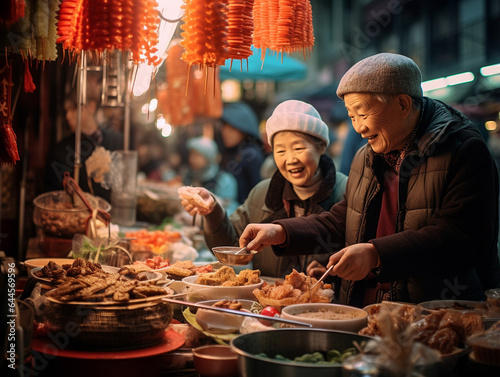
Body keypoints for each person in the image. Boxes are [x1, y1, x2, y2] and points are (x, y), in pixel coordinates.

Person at [238, 53, 500, 307]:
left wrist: (376, 254)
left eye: (362, 114)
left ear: (403, 104)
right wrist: (282, 232)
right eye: (352, 117)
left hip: (435, 313)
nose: (358, 128)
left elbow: (461, 237)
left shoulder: (462, 149)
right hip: (365, 309)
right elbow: (342, 220)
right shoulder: (367, 156)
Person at [179, 100, 348, 278]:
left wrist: (334, 273)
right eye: (281, 151)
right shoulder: (262, 193)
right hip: (266, 302)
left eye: (298, 148)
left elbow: (361, 255)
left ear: (321, 146)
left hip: (327, 303)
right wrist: (212, 211)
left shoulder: (345, 192)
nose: (290, 159)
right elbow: (233, 247)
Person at [45, 81, 124, 202]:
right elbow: (52, 195)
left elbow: (124, 184)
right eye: (66, 111)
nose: (67, 116)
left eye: (73, 109)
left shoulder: (117, 142)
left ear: (91, 107)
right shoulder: (60, 151)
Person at [217, 102, 265, 204]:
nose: (225, 133)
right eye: (224, 127)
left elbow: (258, 192)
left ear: (243, 130)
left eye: (231, 129)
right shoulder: (230, 152)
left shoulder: (251, 155)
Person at [183, 136, 239, 215]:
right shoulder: (189, 176)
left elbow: (230, 212)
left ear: (209, 157)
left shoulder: (225, 180)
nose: (191, 159)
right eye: (191, 154)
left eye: (197, 155)